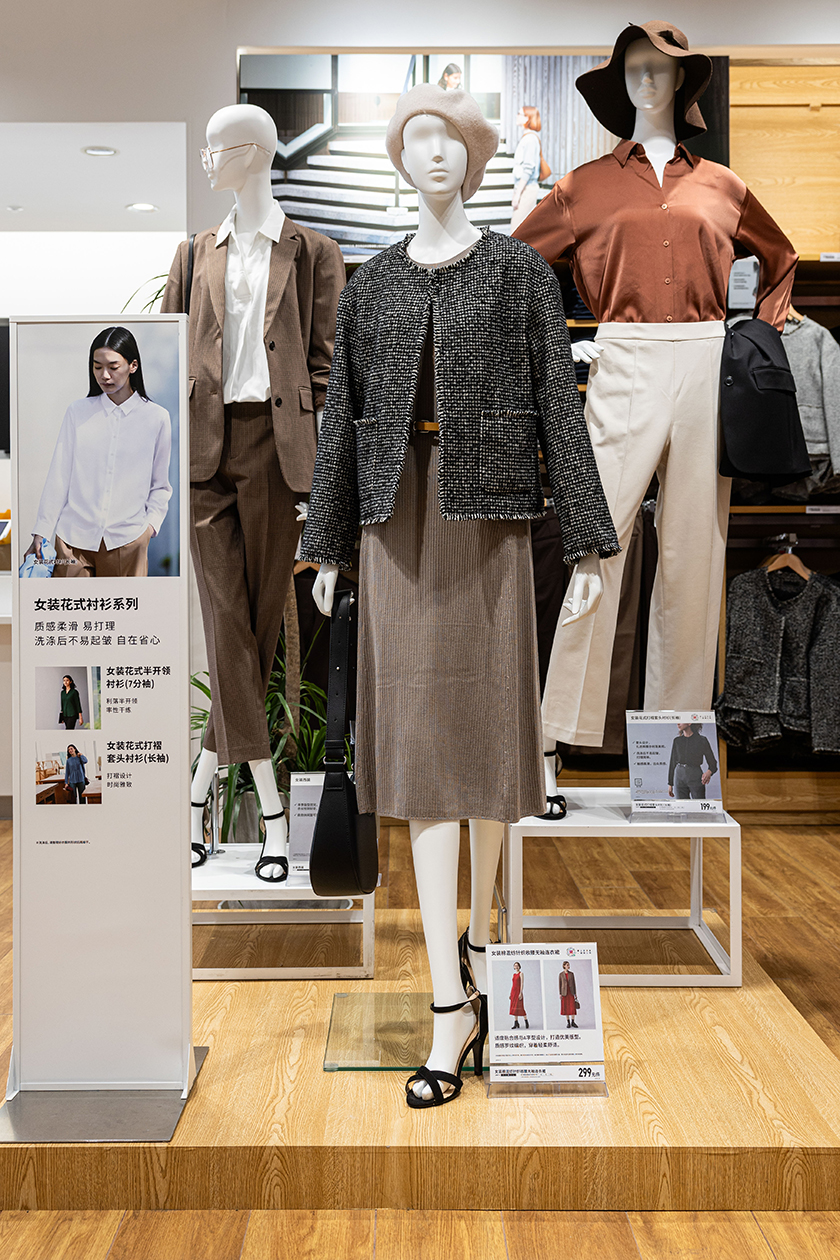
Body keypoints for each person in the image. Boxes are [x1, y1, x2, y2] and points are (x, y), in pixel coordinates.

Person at [24, 327, 172, 579]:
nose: (104, 375)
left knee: (125, 607)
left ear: (133, 366)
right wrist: (42, 530)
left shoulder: (156, 418)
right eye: (97, 367)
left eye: (113, 367)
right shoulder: (78, 412)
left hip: (128, 541)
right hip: (72, 541)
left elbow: (160, 486)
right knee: (69, 606)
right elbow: (59, 476)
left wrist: (148, 530)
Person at [511, 106, 545, 233]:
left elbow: (528, 169)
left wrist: (518, 194)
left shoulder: (530, 139)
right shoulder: (527, 138)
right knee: (521, 231)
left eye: (519, 113)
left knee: (516, 231)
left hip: (527, 189)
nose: (517, 116)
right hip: (525, 188)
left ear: (527, 118)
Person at [668, 722, 718, 799]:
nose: (678, 723)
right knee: (682, 805)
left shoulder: (702, 740)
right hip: (679, 776)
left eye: (681, 720)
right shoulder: (677, 741)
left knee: (698, 804)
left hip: (695, 775)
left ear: (689, 723)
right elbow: (672, 762)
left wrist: (709, 772)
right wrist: (670, 784)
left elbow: (713, 763)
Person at [510, 962, 529, 1029]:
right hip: (513, 992)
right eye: (515, 966)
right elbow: (513, 985)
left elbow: (522, 983)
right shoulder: (513, 975)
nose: (516, 967)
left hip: (518, 992)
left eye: (517, 965)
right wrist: (510, 993)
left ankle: (526, 1021)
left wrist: (521, 992)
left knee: (520, 1007)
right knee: (514, 1008)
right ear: (514, 967)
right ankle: (516, 1023)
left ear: (519, 966)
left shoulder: (521, 974)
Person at [560, 960, 578, 1028]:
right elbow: (560, 984)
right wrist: (560, 993)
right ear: (564, 966)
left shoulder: (571, 974)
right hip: (564, 993)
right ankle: (568, 1022)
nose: (568, 966)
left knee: (572, 1007)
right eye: (567, 965)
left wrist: (575, 993)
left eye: (569, 965)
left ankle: (573, 1022)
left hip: (571, 992)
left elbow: (574, 984)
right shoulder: (561, 974)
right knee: (566, 1008)